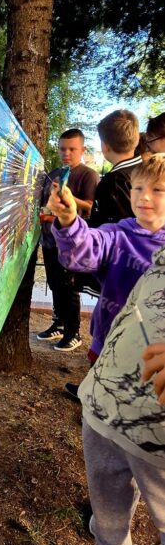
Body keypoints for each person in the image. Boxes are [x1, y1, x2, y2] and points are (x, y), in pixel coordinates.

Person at [76, 219, 165, 545]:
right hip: (142, 419)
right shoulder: (143, 243)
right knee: (111, 489)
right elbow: (86, 252)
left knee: (109, 488)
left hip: (104, 402)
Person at [46, 154, 165, 364]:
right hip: (109, 344)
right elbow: (82, 252)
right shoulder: (117, 234)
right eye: (138, 188)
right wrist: (68, 220)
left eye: (157, 190)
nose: (144, 196)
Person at [64, 109, 141, 400]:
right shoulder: (140, 172)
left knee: (111, 332)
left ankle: (100, 394)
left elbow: (113, 230)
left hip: (119, 274)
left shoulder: (115, 180)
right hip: (134, 275)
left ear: (104, 145)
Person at [37, 129, 99, 351]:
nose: (67, 153)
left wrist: (70, 198)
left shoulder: (87, 175)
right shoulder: (54, 173)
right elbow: (45, 204)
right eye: (63, 148)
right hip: (49, 239)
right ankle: (59, 324)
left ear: (82, 150)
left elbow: (91, 207)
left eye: (72, 149)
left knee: (69, 287)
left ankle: (74, 332)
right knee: (54, 284)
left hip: (71, 244)